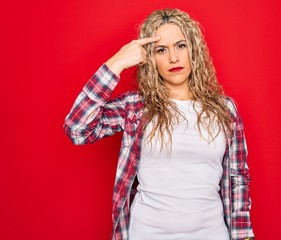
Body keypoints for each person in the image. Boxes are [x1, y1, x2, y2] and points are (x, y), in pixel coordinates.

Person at [64, 8, 254, 240]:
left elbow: (237, 177)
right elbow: (78, 129)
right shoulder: (136, 107)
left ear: (194, 49)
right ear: (149, 58)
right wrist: (117, 63)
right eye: (161, 50)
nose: (173, 58)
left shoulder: (225, 109)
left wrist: (244, 235)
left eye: (180, 46)